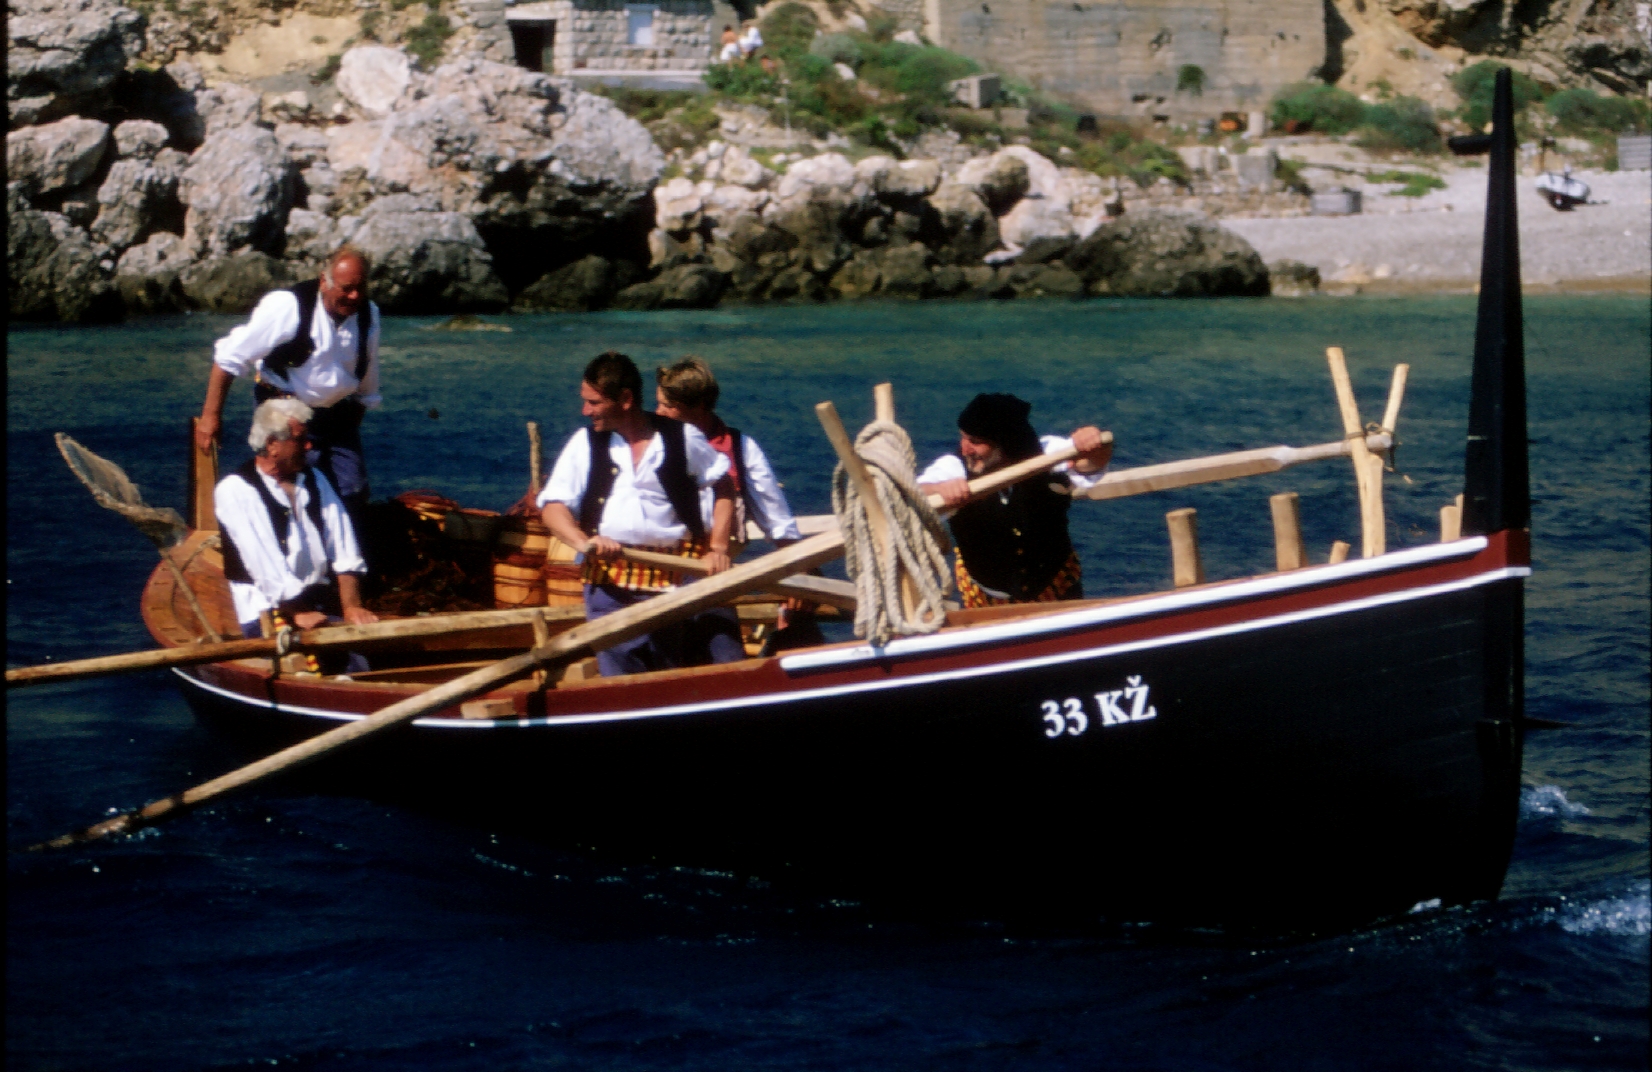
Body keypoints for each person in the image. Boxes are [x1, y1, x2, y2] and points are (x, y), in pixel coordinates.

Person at [539, 351, 742, 677]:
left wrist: (717, 547)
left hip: (673, 577)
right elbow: (552, 507)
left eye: (594, 402)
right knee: (619, 678)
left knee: (669, 674)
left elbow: (724, 486)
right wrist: (582, 541)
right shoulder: (584, 443)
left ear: (625, 398)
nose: (585, 411)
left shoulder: (681, 437)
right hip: (609, 580)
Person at [197, 245, 381, 517]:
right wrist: (211, 417)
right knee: (291, 491)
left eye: (360, 288)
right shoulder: (288, 306)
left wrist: (352, 417)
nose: (354, 296)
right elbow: (229, 358)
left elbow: (367, 372)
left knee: (352, 490)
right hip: (286, 412)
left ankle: (341, 554)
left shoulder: (368, 314)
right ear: (324, 281)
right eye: (346, 288)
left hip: (338, 416)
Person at [654, 356, 823, 650]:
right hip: (656, 575)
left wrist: (803, 574)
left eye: (668, 407)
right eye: (657, 403)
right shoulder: (648, 448)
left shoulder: (742, 450)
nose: (658, 413)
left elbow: (777, 523)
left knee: (726, 655)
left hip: (713, 577)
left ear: (699, 408)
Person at [215, 399, 378, 673]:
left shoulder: (314, 478)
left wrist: (352, 606)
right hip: (269, 610)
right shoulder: (236, 490)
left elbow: (343, 544)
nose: (309, 446)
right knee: (312, 671)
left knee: (360, 663)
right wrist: (298, 612)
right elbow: (265, 565)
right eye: (300, 439)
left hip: (316, 600)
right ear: (271, 445)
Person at [917, 393, 1112, 608]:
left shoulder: (1047, 454)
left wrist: (1092, 442)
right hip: (986, 602)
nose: (965, 449)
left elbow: (1091, 464)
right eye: (963, 437)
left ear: (1005, 444)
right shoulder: (954, 467)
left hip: (1057, 590)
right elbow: (915, 492)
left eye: (975, 442)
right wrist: (940, 489)